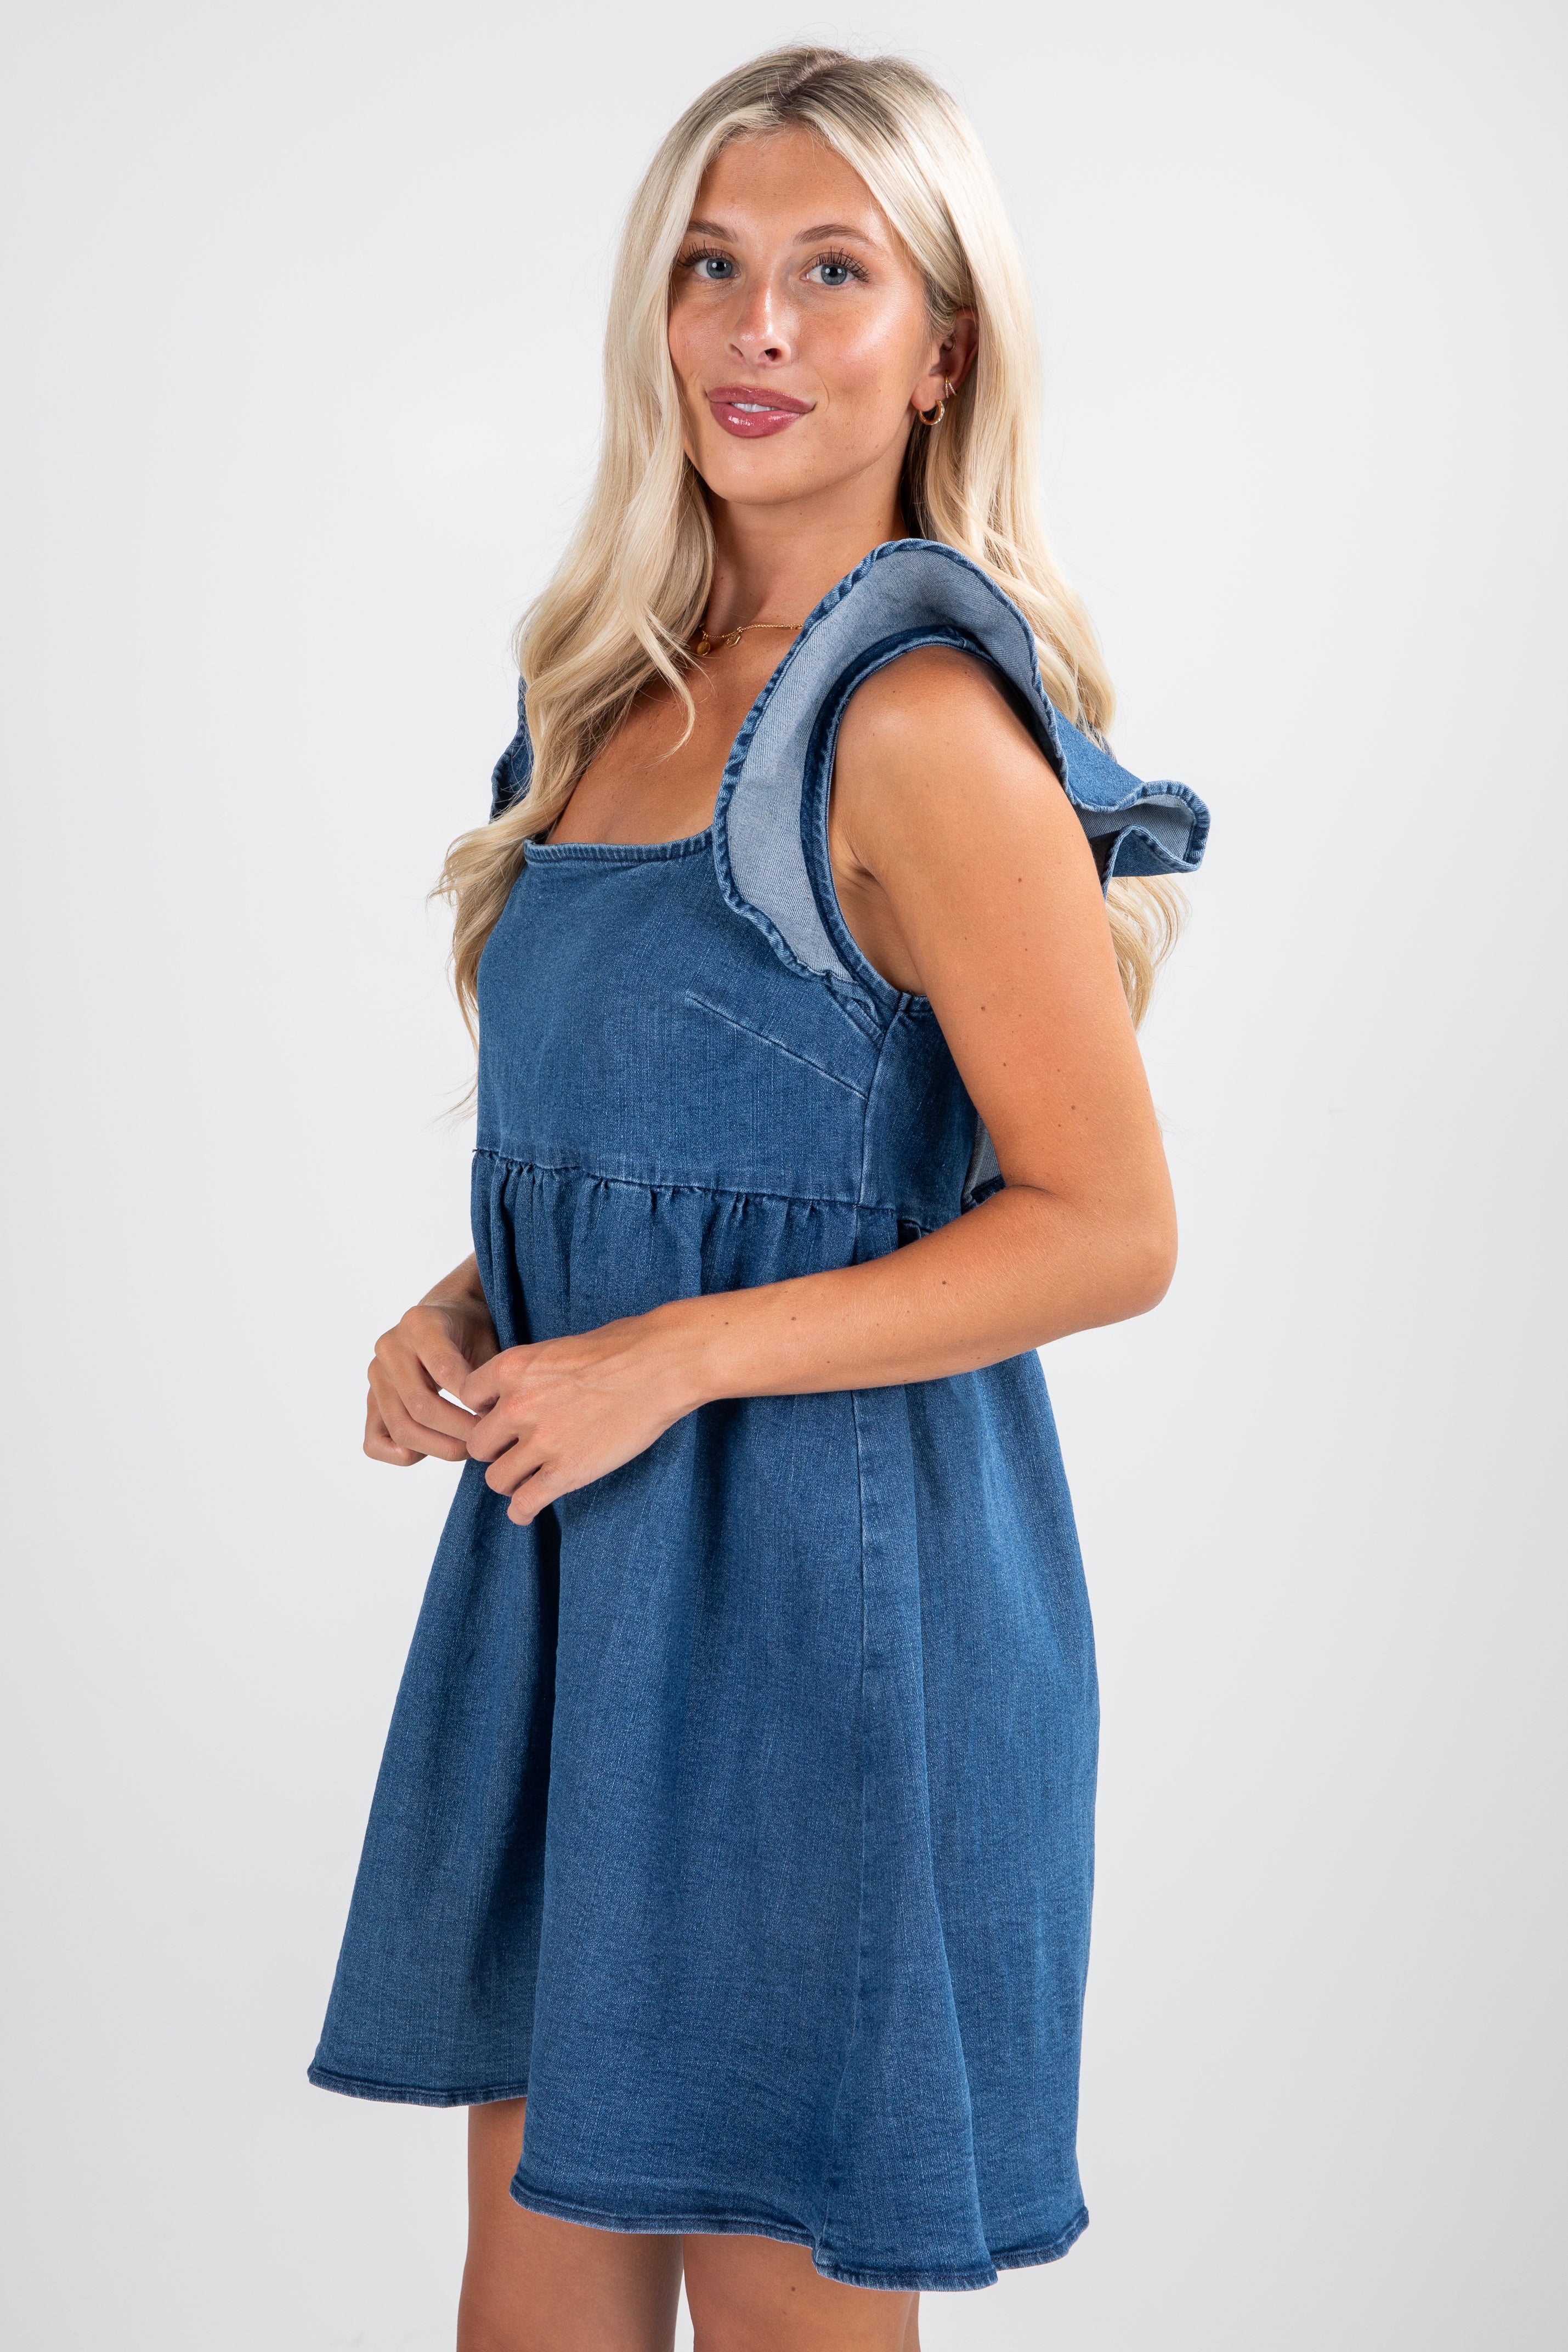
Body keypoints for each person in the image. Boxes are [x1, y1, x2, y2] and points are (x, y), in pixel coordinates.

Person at [309, 45, 1208, 2352]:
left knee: (792, 2315)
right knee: (529, 2311)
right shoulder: (596, 700)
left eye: (833, 273)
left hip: (831, 1621)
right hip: (579, 1601)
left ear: (944, 348)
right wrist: (470, 1309)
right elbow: (685, 1158)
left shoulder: (915, 725)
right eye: (711, 268)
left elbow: (1108, 1224)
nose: (757, 329)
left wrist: (672, 1358)